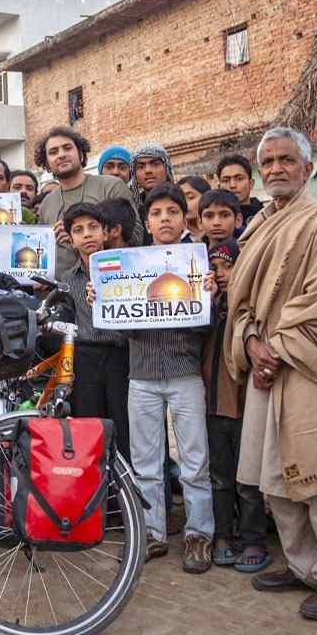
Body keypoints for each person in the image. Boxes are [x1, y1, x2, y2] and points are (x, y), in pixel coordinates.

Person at [224, 127, 317, 621]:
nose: (276, 168)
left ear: (307, 169)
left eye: (288, 159)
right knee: (274, 479)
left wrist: (274, 350)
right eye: (268, 162)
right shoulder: (259, 227)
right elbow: (240, 303)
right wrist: (249, 343)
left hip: (310, 364)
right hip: (267, 363)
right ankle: (304, 566)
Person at [87, 183, 215, 573]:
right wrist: (103, 301)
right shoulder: (129, 264)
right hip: (140, 375)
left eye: (172, 212)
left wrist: (213, 295)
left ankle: (198, 535)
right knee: (145, 464)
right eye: (157, 213)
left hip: (185, 374)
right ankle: (152, 532)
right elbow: (122, 326)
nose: (164, 219)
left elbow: (209, 327)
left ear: (184, 218)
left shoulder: (199, 262)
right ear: (147, 221)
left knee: (194, 463)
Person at [202, 239, 270, 573]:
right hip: (213, 406)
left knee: (250, 480)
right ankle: (223, 535)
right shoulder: (202, 304)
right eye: (214, 268)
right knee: (219, 477)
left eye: (228, 267)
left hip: (247, 407)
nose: (221, 274)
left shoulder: (254, 306)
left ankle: (255, 537)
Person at [62, 202, 129, 461]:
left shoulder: (127, 267)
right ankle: (96, 493)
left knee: (123, 426)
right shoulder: (69, 279)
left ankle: (125, 493)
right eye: (78, 230)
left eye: (93, 227)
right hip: (85, 357)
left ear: (106, 232)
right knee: (89, 426)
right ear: (71, 240)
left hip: (121, 356)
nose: (87, 234)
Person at [33, 126, 141, 279]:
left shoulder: (111, 186)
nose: (62, 155)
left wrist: (81, 232)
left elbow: (136, 236)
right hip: (62, 294)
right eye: (53, 152)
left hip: (109, 284)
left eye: (67, 148)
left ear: (81, 155)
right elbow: (44, 253)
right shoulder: (47, 204)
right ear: (47, 164)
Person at [129, 143, 174, 218]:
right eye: (141, 167)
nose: (147, 171)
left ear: (167, 169)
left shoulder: (182, 201)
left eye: (155, 164)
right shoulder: (131, 209)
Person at [216, 153, 264, 224]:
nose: (232, 185)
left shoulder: (265, 216)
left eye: (239, 179)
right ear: (219, 188)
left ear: (251, 183)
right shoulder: (214, 222)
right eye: (226, 180)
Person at [177, 175, 211, 242]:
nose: (184, 203)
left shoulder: (222, 233)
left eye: (190, 197)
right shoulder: (175, 240)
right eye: (180, 199)